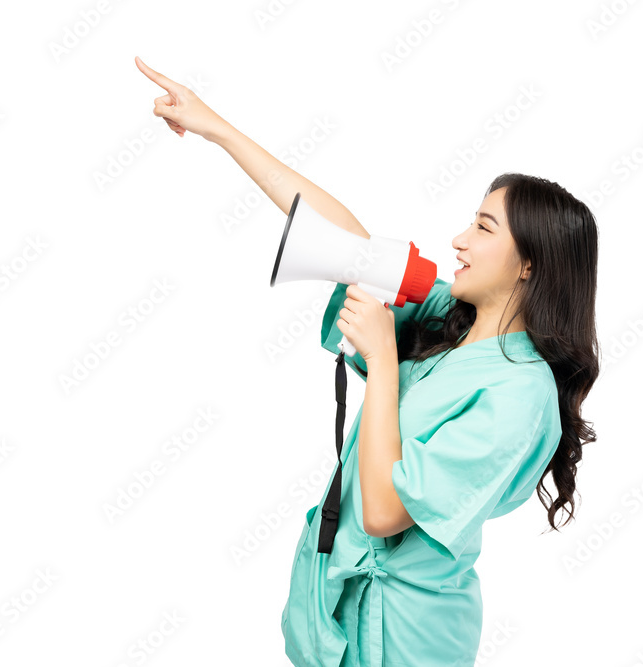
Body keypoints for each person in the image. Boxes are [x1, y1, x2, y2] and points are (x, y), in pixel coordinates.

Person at [136, 56, 600, 666]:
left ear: (532, 263)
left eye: (484, 228)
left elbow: (384, 512)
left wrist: (384, 360)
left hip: (406, 637)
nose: (459, 239)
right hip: (344, 613)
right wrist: (214, 126)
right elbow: (347, 242)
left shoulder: (521, 394)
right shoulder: (446, 324)